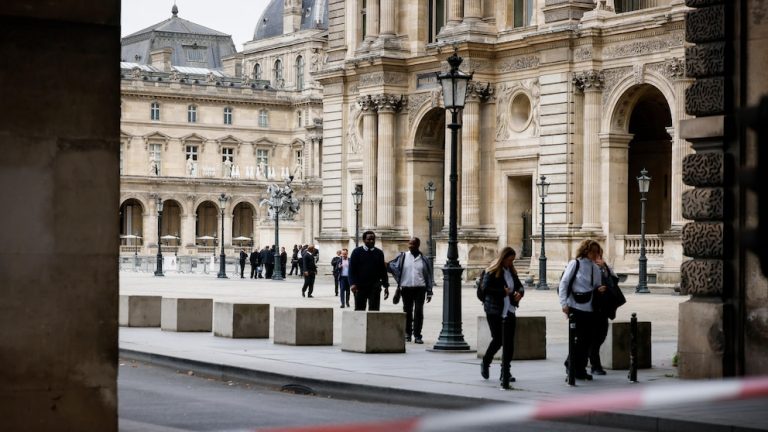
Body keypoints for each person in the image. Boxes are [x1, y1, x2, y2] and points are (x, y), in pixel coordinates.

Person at [559, 239, 605, 381]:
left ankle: (580, 368)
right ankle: (572, 367)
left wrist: (600, 289)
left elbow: (597, 285)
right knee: (577, 340)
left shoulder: (595, 268)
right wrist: (564, 304)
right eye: (593, 251)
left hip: (590, 308)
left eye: (597, 252)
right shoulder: (575, 263)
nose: (595, 254)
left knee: (587, 341)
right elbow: (564, 283)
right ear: (586, 250)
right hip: (575, 306)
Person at [479, 247, 524, 388]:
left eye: (513, 261)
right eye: (509, 260)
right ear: (503, 258)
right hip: (494, 310)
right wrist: (501, 292)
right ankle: (486, 361)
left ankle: (505, 372)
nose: (511, 263)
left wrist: (520, 293)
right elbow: (485, 289)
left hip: (509, 309)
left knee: (509, 342)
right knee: (498, 339)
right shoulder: (491, 271)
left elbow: (519, 286)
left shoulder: (511, 271)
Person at [388, 238, 434, 344]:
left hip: (420, 289)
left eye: (413, 244)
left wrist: (429, 291)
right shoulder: (403, 256)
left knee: (418, 312)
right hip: (406, 288)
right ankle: (407, 333)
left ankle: (417, 335)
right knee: (407, 311)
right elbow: (393, 266)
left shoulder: (424, 259)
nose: (410, 246)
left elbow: (428, 276)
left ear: (418, 245)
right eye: (409, 244)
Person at [589, 252, 626, 375]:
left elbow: (614, 281)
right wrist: (595, 290)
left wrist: (605, 267)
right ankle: (595, 365)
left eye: (600, 257)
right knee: (588, 338)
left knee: (601, 335)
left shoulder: (604, 269)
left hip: (603, 308)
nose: (598, 259)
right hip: (589, 308)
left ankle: (576, 362)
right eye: (596, 257)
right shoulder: (582, 267)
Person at [349, 231, 390, 311]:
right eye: (369, 239)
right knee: (359, 310)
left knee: (374, 311)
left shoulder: (379, 253)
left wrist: (386, 286)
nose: (371, 241)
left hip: (375, 287)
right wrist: (352, 283)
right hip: (360, 287)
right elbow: (351, 269)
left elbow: (383, 271)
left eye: (373, 239)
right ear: (364, 240)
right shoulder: (356, 252)